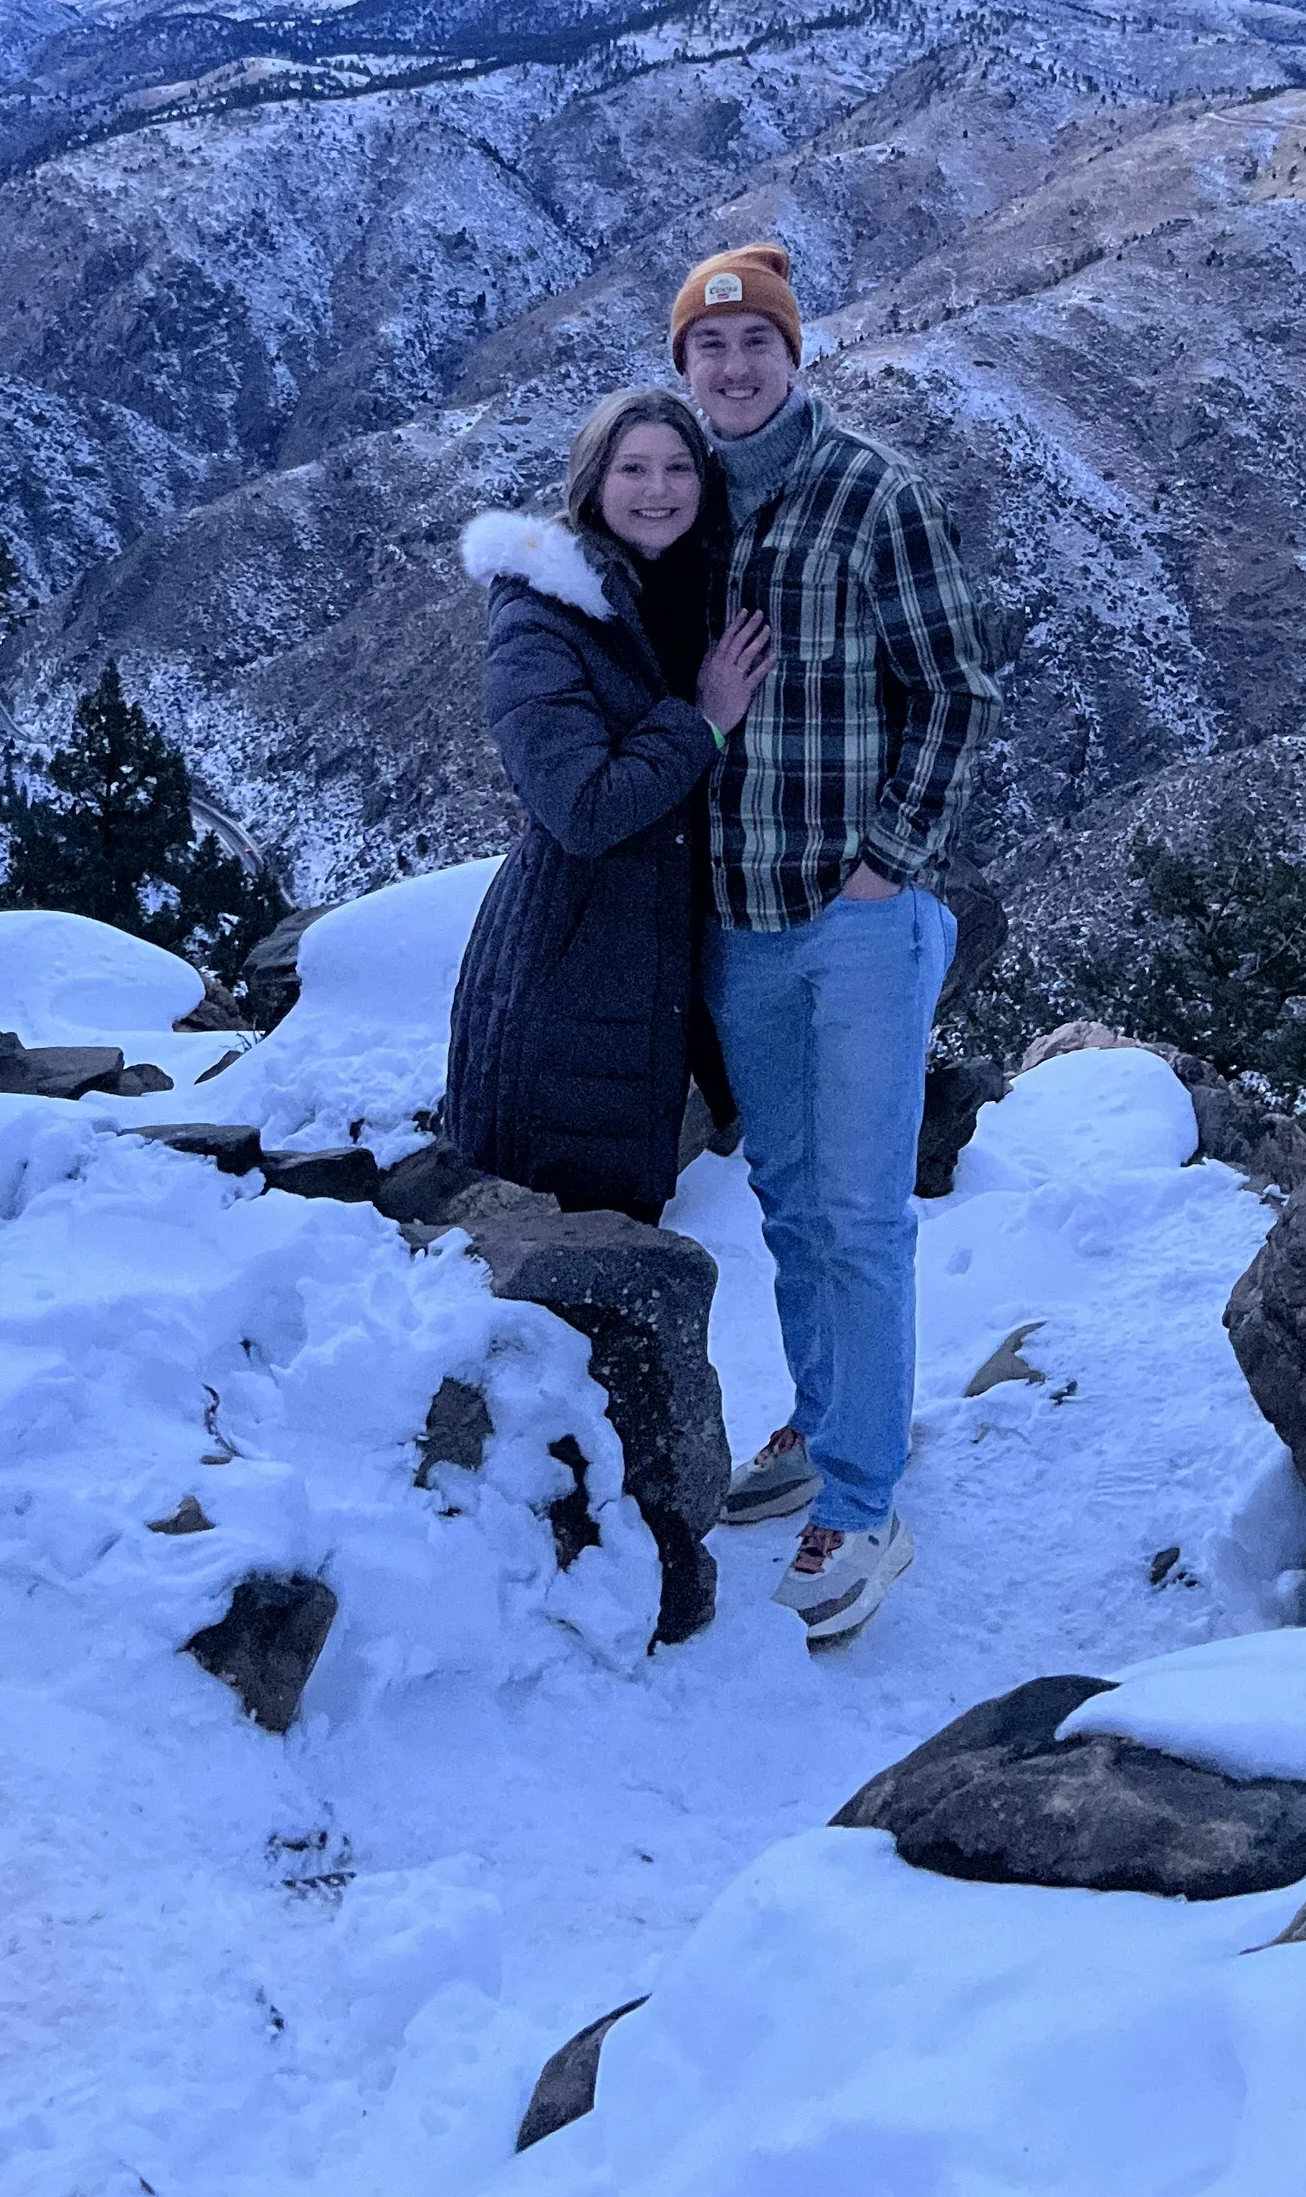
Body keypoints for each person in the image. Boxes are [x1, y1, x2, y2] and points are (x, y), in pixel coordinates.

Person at [671, 242, 999, 1640]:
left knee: (862, 1213)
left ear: (795, 356)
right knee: (794, 1205)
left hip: (857, 916)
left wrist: (888, 863)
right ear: (683, 368)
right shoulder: (678, 509)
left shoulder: (872, 493)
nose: (736, 369)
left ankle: (862, 1501)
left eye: (758, 346)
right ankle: (823, 1417)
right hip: (739, 918)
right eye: (709, 350)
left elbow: (957, 691)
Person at [445, 388, 772, 1224]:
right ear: (592, 482)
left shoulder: (705, 586)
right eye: (632, 467)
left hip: (678, 958)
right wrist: (702, 719)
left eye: (676, 467)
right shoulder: (542, 612)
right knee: (597, 1245)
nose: (656, 487)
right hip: (578, 968)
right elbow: (579, 807)